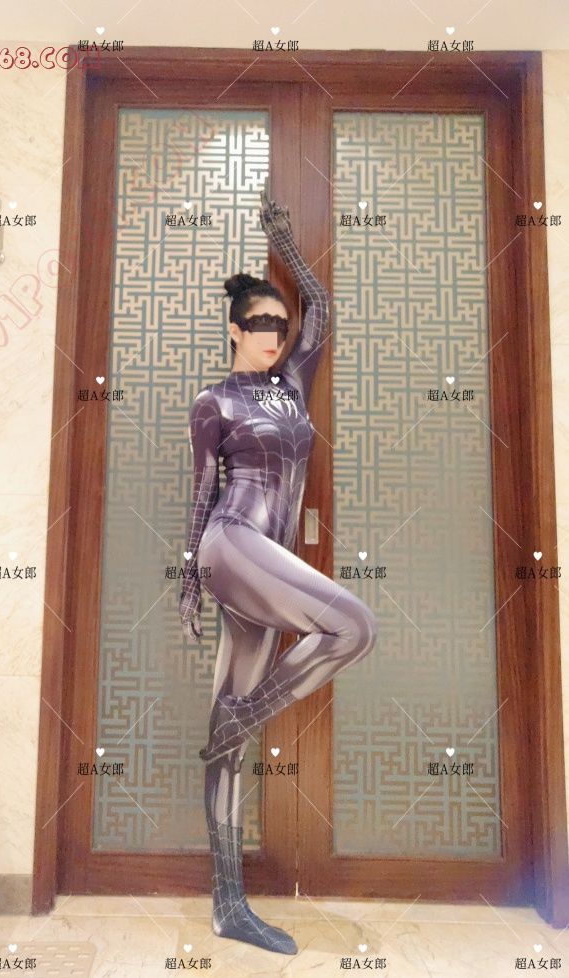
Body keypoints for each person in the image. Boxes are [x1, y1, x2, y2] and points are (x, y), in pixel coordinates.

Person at [179, 179, 378, 955]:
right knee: (354, 624)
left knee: (226, 737)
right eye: (259, 323)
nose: (273, 333)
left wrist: (285, 241)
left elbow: (320, 305)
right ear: (234, 330)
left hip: (272, 563)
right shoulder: (215, 401)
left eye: (279, 324)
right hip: (231, 545)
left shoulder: (294, 386)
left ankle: (229, 906)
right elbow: (203, 491)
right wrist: (190, 578)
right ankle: (247, 714)